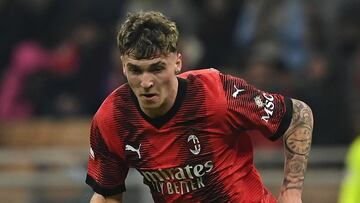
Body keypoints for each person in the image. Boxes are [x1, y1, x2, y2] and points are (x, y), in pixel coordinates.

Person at [85, 11, 313, 203]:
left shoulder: (216, 94)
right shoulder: (113, 118)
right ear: (123, 67)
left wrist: (291, 190)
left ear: (177, 62)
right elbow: (107, 195)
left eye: (157, 68)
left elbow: (299, 115)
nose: (146, 83)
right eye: (136, 70)